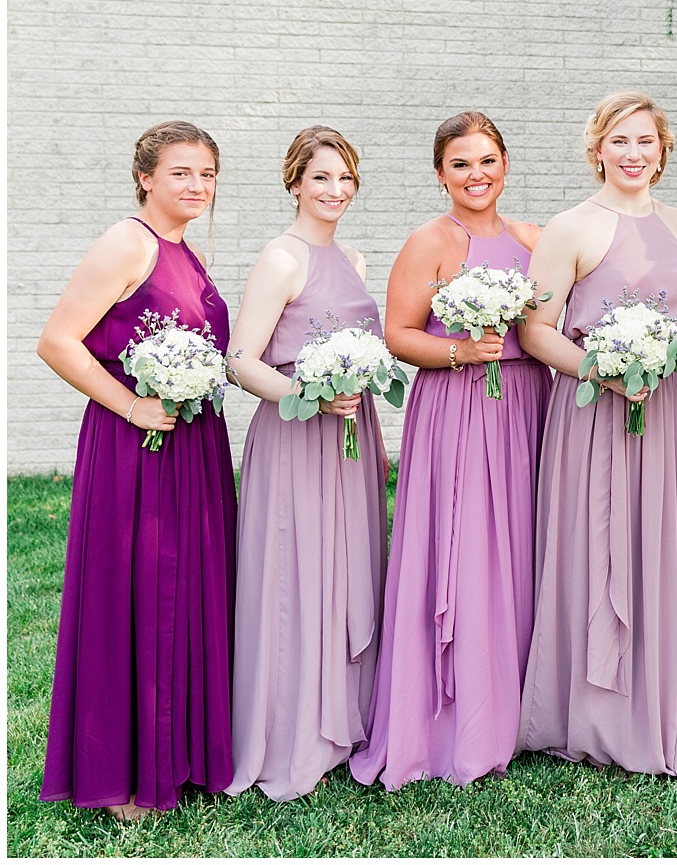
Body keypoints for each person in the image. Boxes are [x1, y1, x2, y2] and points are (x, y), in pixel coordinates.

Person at [36, 121, 235, 818]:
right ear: (146, 176)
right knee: (141, 593)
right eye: (182, 172)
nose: (197, 186)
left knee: (188, 593)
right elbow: (57, 341)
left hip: (193, 447)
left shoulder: (188, 250)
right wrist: (130, 404)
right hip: (137, 448)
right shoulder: (128, 241)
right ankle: (124, 773)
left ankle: (179, 757)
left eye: (207, 174)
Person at [349, 112, 548, 789]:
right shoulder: (429, 241)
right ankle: (453, 719)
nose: (476, 174)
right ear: (440, 173)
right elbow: (399, 333)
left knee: (518, 547)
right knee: (464, 548)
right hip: (459, 405)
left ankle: (521, 707)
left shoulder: (532, 239)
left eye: (487, 159)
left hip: (525, 403)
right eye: (461, 163)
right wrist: (462, 350)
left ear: (506, 163)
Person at [517, 92, 677, 777]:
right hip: (597, 407)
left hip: (669, 409)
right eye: (619, 141)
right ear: (597, 148)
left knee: (657, 546)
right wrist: (606, 371)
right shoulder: (570, 227)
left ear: (663, 148)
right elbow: (534, 331)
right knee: (599, 546)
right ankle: (594, 711)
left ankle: (654, 698)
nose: (633, 154)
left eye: (645, 141)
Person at [226, 127, 388, 801]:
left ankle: (342, 720)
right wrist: (308, 396)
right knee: (295, 576)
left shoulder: (350, 254)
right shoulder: (281, 258)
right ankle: (290, 732)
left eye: (345, 177)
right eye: (322, 177)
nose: (336, 190)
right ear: (295, 182)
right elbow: (240, 360)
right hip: (297, 434)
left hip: (352, 438)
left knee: (346, 568)